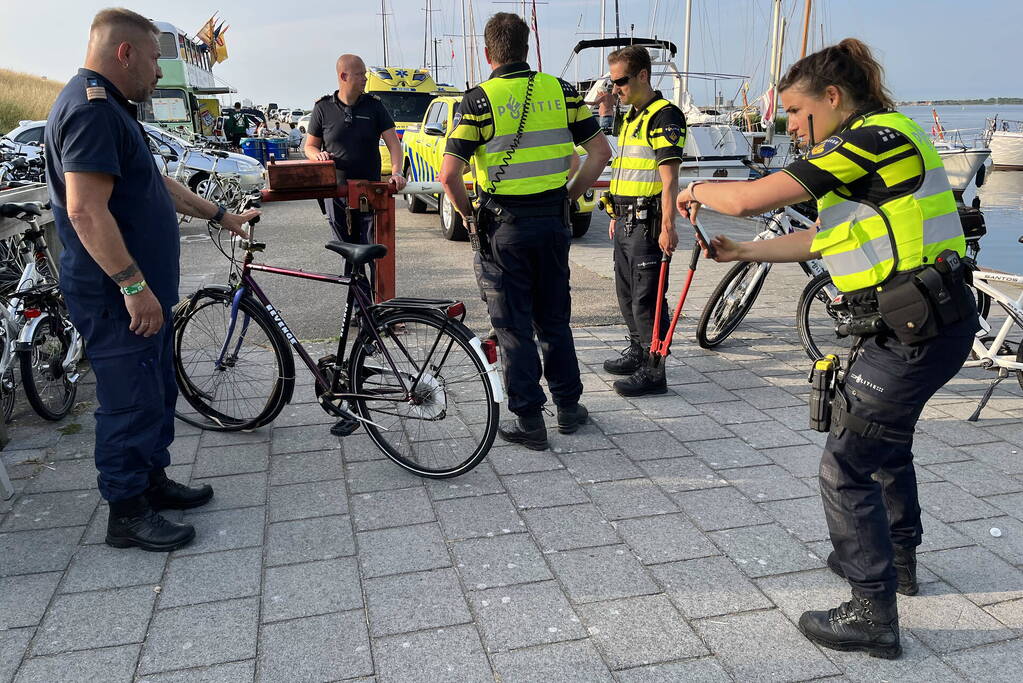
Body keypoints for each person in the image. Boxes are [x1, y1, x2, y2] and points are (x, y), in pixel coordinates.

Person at [675, 38, 977, 659]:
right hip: (915, 322)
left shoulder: (873, 138)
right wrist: (745, 252)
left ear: (832, 99)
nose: (787, 125)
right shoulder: (868, 147)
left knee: (845, 463)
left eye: (793, 111)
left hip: (918, 328)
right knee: (882, 444)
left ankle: (873, 613)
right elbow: (824, 239)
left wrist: (699, 186)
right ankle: (895, 559)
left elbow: (750, 197)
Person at [44, 8, 259, 552]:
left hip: (140, 293)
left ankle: (151, 481)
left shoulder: (113, 109)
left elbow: (156, 183)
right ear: (124, 53)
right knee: (129, 399)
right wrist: (134, 286)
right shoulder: (90, 111)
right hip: (118, 297)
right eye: (155, 60)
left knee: (156, 387)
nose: (160, 74)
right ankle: (127, 511)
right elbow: (85, 212)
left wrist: (221, 216)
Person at [439, 12, 612, 451]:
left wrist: (467, 215)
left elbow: (449, 175)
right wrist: (569, 197)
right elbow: (599, 152)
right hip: (553, 221)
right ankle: (570, 409)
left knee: (514, 325)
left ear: (487, 53)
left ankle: (530, 420)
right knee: (555, 318)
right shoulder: (561, 90)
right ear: (528, 47)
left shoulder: (477, 101)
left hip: (504, 228)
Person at [601, 46, 686, 396]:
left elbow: (669, 180)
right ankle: (638, 351)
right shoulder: (634, 115)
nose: (614, 88)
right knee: (626, 295)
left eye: (620, 81)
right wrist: (615, 214)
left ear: (643, 76)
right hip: (625, 221)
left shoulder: (664, 116)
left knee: (647, 300)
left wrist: (668, 227)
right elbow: (628, 170)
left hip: (646, 224)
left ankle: (654, 370)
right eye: (612, 81)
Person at [304, 54, 407, 249]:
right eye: (360, 74)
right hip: (336, 193)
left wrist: (396, 173)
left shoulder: (375, 106)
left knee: (372, 250)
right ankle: (352, 280)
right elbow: (309, 146)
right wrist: (316, 155)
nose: (365, 78)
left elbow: (394, 144)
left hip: (370, 191)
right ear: (344, 76)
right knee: (346, 250)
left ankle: (368, 281)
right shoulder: (323, 107)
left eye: (365, 74)